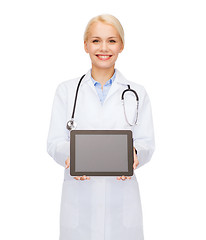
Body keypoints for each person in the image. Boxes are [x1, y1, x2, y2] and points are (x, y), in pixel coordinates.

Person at [47, 14, 155, 240]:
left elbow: (146, 142)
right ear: (85, 45)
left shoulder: (137, 93)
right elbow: (55, 142)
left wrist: (135, 155)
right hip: (79, 203)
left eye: (112, 40)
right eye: (96, 40)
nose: (103, 47)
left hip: (122, 202)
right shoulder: (66, 91)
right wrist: (73, 158)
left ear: (121, 46)